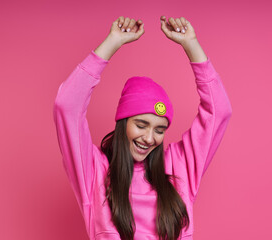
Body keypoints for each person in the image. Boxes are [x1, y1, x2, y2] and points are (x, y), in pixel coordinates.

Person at [53, 15, 232, 240]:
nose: (149, 137)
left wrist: (191, 44)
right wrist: (112, 42)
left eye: (159, 129)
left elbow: (220, 112)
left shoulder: (179, 168)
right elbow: (67, 106)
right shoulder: (94, 173)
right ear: (123, 123)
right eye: (141, 125)